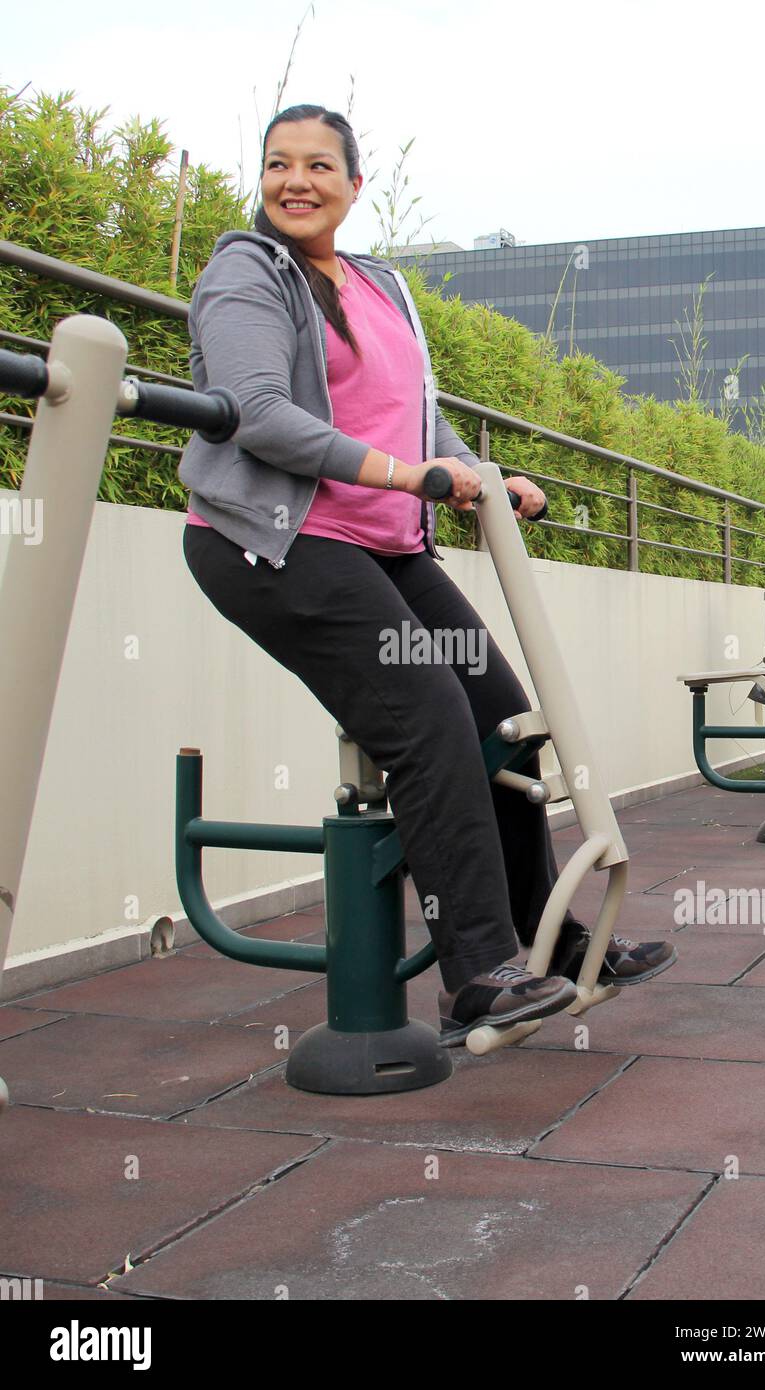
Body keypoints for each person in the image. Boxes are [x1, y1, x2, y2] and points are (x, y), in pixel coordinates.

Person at [178, 103, 676, 1048]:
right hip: (278, 545)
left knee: (505, 724)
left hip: (389, 548)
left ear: (354, 186)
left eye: (319, 166)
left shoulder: (381, 286)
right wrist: (410, 476)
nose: (297, 182)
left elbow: (417, 416)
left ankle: (551, 947)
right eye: (279, 164)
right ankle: (476, 972)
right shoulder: (246, 271)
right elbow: (255, 412)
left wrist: (481, 474)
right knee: (429, 719)